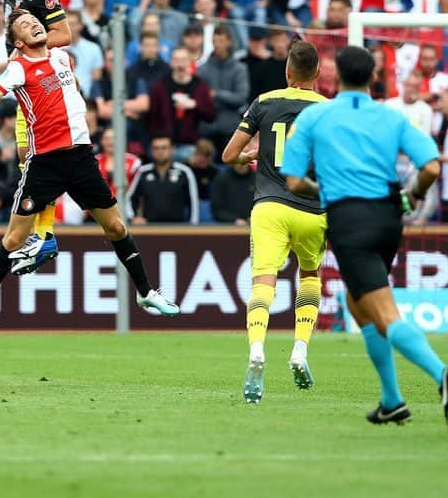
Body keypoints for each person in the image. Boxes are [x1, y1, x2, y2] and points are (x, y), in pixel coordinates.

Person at [0, 11, 179, 333]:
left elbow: (69, 72)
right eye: (25, 25)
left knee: (117, 228)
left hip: (81, 158)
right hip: (45, 163)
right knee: (13, 238)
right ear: (19, 42)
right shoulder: (18, 68)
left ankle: (146, 293)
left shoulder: (62, 56)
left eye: (35, 20)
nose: (35, 24)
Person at [281, 45, 447, 425]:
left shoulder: (316, 117)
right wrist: (413, 194)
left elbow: (292, 180)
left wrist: (324, 192)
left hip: (350, 220)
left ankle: (442, 374)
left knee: (384, 313)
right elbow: (433, 167)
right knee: (359, 304)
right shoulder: (391, 117)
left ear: (335, 77)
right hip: (389, 219)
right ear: (374, 78)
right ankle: (392, 400)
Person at [221, 39, 327, 402]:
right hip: (313, 208)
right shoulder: (328, 109)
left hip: (269, 206)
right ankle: (299, 349)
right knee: (310, 275)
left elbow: (229, 154)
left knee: (264, 282)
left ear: (287, 71)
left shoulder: (265, 101)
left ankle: (256, 351)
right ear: (318, 73)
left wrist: (251, 155)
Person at [0, 0, 73, 275]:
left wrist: (29, 50)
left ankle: (44, 234)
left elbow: (64, 33)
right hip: (24, 86)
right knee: (25, 158)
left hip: (38, 83)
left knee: (37, 159)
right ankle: (41, 235)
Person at [148, 47, 216, 160]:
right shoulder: (160, 86)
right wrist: (162, 142)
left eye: (183, 60)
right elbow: (152, 117)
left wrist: (195, 105)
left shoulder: (199, 86)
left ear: (190, 62)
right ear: (170, 63)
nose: (180, 64)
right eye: (176, 60)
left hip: (191, 145)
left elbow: (211, 115)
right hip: (164, 145)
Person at [197, 25, 250, 153]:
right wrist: (227, 98)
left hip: (230, 128)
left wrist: (216, 94)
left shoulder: (239, 69)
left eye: (221, 41)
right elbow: (200, 99)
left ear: (229, 42)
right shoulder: (202, 69)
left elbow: (242, 97)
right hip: (207, 128)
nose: (217, 45)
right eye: (215, 41)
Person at [127, 135, 200, 224]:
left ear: (172, 150)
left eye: (164, 148)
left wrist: (193, 226)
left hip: (178, 229)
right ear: (151, 151)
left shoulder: (184, 172)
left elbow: (193, 202)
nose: (160, 152)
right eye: (156, 148)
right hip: (148, 229)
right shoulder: (142, 172)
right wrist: (132, 217)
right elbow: (129, 198)